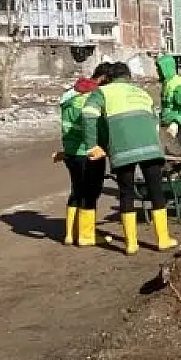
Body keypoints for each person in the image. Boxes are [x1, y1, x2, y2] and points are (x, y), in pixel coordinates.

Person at [82, 62, 176, 255]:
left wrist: (93, 145)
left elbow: (88, 114)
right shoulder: (142, 93)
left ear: (110, 78)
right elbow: (154, 121)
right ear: (128, 77)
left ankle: (131, 244)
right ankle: (163, 239)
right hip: (150, 147)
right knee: (156, 191)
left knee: (126, 193)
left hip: (123, 149)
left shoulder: (103, 92)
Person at [55, 62, 114, 246]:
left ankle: (70, 234)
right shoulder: (91, 99)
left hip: (70, 151)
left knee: (76, 191)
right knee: (90, 193)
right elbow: (97, 128)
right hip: (89, 153)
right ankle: (86, 235)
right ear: (104, 79)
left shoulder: (69, 98)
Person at [155, 55, 181, 151]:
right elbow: (167, 106)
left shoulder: (178, 85)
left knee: (178, 155)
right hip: (170, 126)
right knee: (170, 155)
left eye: (159, 68)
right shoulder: (167, 84)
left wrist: (176, 122)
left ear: (165, 68)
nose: (157, 71)